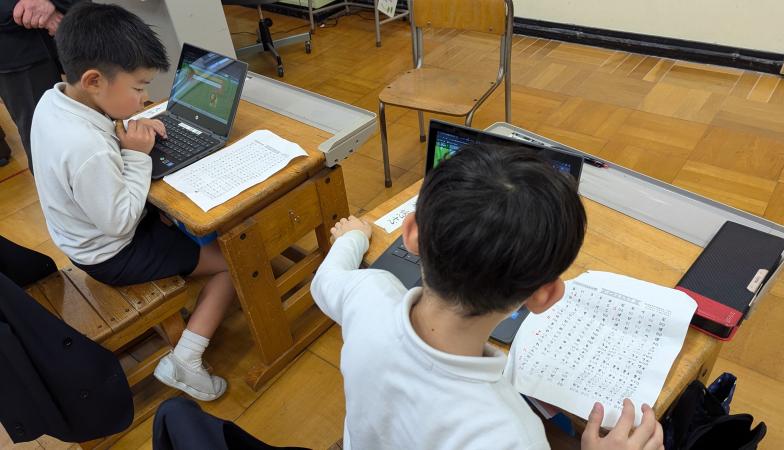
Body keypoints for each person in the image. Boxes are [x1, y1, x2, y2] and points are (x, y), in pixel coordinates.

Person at [311, 143, 665, 450]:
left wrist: (353, 237)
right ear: (545, 296)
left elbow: (325, 280)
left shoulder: (367, 294)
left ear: (412, 232)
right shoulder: (513, 435)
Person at [30, 3, 236, 401]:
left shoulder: (54, 100)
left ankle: (184, 249)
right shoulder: (86, 149)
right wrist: (137, 156)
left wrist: (125, 130)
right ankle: (186, 361)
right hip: (112, 252)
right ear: (93, 81)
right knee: (232, 262)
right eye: (139, 88)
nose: (144, 99)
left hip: (87, 232)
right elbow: (120, 221)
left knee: (183, 218)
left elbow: (95, 136)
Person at [0, 0, 78, 168]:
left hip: (75, 20)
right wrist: (25, 8)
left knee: (110, 111)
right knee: (48, 141)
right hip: (17, 48)